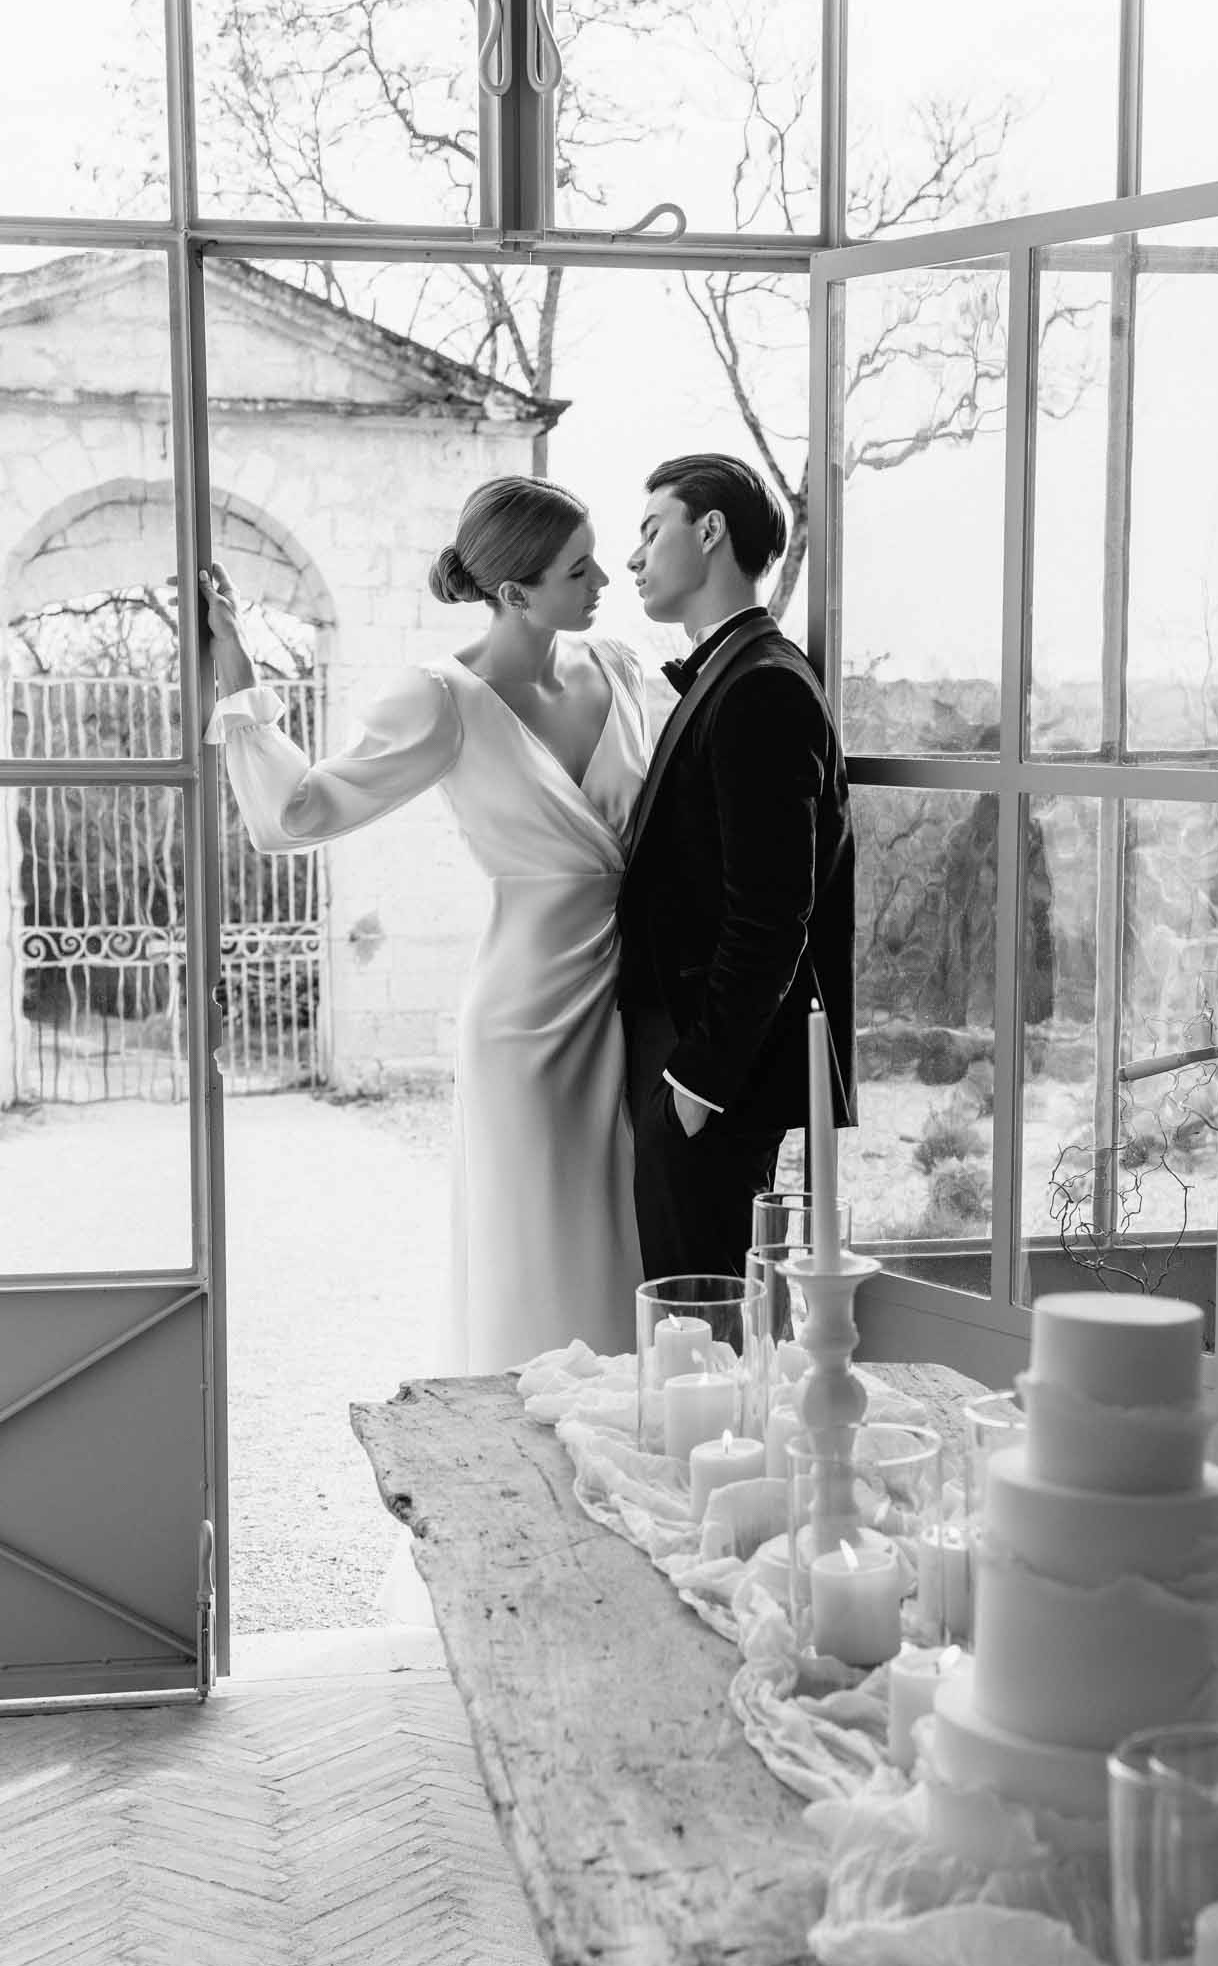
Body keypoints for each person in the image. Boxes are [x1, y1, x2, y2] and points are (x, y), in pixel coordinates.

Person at [200, 475, 649, 1376]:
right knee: (539, 1245)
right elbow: (295, 813)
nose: (604, 580)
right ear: (513, 592)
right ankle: (523, 1441)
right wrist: (239, 674)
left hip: (640, 993)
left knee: (633, 1236)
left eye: (596, 558)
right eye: (578, 569)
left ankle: (628, 1427)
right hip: (529, 1016)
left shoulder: (619, 667)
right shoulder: (443, 697)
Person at [618, 452, 857, 1279]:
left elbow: (771, 912)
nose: (633, 557)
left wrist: (695, 1085)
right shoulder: (733, 671)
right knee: (687, 1315)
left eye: (651, 530)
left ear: (709, 530)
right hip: (684, 1057)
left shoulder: (762, 686)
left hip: (710, 1073)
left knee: (703, 1316)